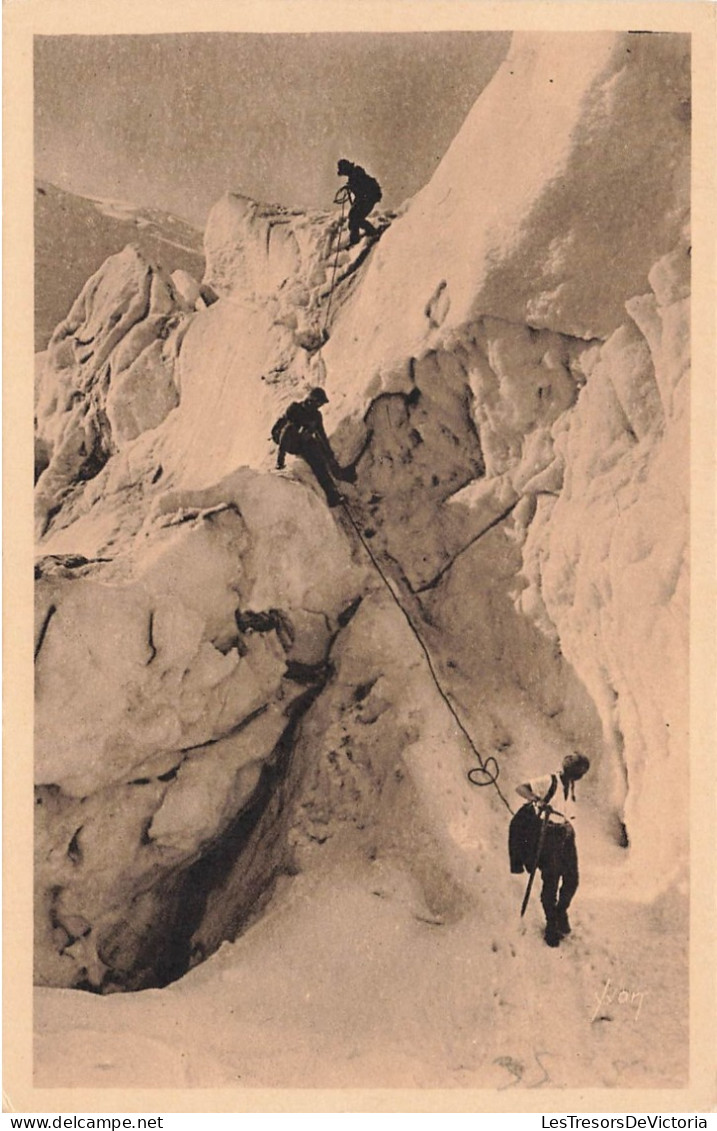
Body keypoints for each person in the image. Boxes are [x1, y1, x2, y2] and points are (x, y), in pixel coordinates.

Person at [509, 753, 591, 947]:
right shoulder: (549, 780)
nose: (579, 777)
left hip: (566, 834)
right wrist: (536, 800)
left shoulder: (570, 786)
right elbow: (520, 788)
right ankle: (551, 924)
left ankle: (560, 912)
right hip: (548, 836)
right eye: (579, 772)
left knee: (572, 880)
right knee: (551, 882)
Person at [271, 387, 356, 508]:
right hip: (285, 439)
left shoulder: (316, 416)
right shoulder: (295, 408)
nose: (319, 406)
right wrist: (280, 460)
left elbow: (322, 436)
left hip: (301, 441)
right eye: (318, 403)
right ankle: (332, 492)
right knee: (292, 430)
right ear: (311, 401)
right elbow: (285, 433)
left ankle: (332, 493)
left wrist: (330, 456)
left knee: (318, 458)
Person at [335, 159, 382, 247]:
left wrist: (351, 185)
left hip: (369, 198)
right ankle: (357, 237)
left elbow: (362, 189)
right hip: (365, 199)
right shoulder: (354, 175)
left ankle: (371, 232)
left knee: (355, 218)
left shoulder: (357, 172)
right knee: (353, 216)